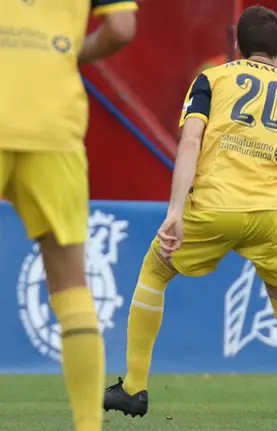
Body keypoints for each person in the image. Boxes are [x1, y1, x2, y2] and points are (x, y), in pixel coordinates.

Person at [101, 6, 277, 431]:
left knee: (154, 272)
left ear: (236, 46)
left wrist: (175, 211)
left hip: (213, 207)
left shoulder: (213, 78)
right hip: (272, 216)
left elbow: (190, 141)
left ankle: (134, 387)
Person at [1, 2, 137, 430]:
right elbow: (120, 27)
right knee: (72, 288)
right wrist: (66, 51)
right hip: (53, 124)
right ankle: (86, 425)